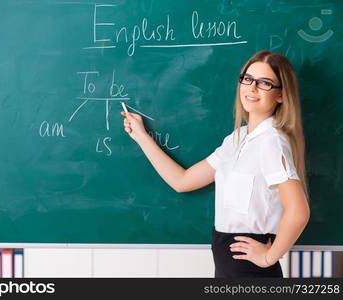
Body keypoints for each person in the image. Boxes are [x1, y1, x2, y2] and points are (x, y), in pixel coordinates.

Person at [120, 50, 310, 278]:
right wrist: (142, 136)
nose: (252, 88)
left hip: (248, 267)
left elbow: (298, 212)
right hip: (226, 261)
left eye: (265, 83)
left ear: (281, 95)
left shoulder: (271, 142)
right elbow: (183, 181)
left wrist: (269, 257)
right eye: (248, 79)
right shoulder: (237, 139)